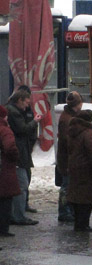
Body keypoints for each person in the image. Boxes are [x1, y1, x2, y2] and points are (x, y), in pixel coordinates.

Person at [66, 109, 92, 233]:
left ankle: (78, 223)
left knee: (76, 197)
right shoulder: (89, 133)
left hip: (74, 168)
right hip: (86, 170)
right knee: (87, 199)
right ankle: (84, 224)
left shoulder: (71, 131)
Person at [8, 86, 39, 225]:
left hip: (20, 153)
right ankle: (18, 216)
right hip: (18, 154)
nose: (28, 105)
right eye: (26, 102)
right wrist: (35, 122)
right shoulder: (14, 113)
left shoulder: (14, 111)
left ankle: (15, 214)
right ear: (20, 100)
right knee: (22, 184)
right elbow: (23, 129)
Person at [55, 91, 83, 223]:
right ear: (77, 104)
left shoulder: (69, 116)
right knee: (66, 186)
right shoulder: (68, 119)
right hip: (67, 159)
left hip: (67, 158)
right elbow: (68, 141)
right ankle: (65, 212)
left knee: (69, 185)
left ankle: (68, 210)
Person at [0, 106, 20, 240]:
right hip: (5, 169)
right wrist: (15, 158)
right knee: (5, 201)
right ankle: (3, 229)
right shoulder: (4, 130)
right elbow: (10, 147)